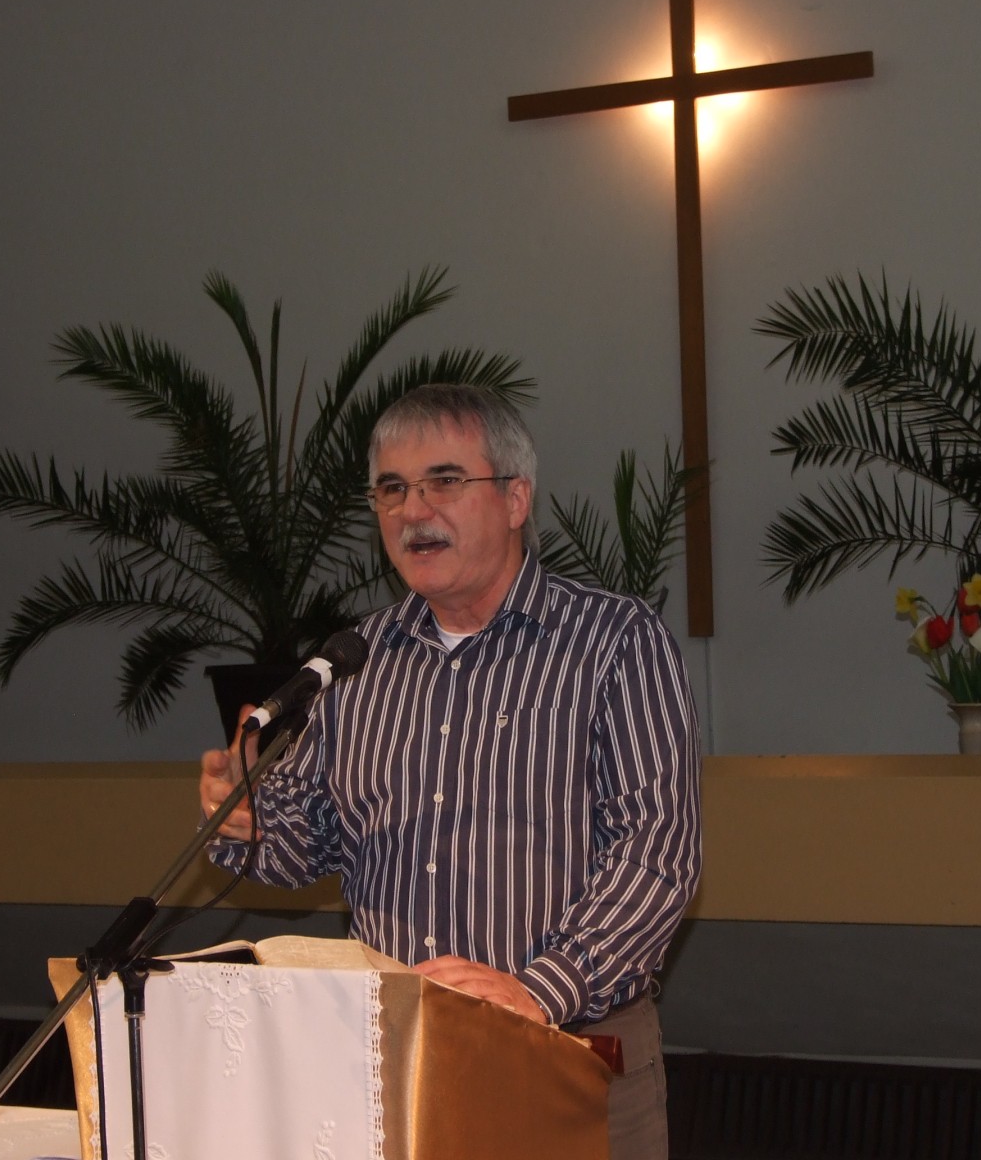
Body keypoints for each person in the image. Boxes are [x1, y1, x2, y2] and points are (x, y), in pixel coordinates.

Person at [198, 383, 701, 1160]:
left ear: (515, 499)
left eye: (443, 481)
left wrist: (539, 989)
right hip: (396, 1063)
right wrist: (246, 819)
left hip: (566, 1056)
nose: (413, 511)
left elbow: (656, 854)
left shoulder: (613, 642)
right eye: (391, 489)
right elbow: (307, 843)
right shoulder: (353, 661)